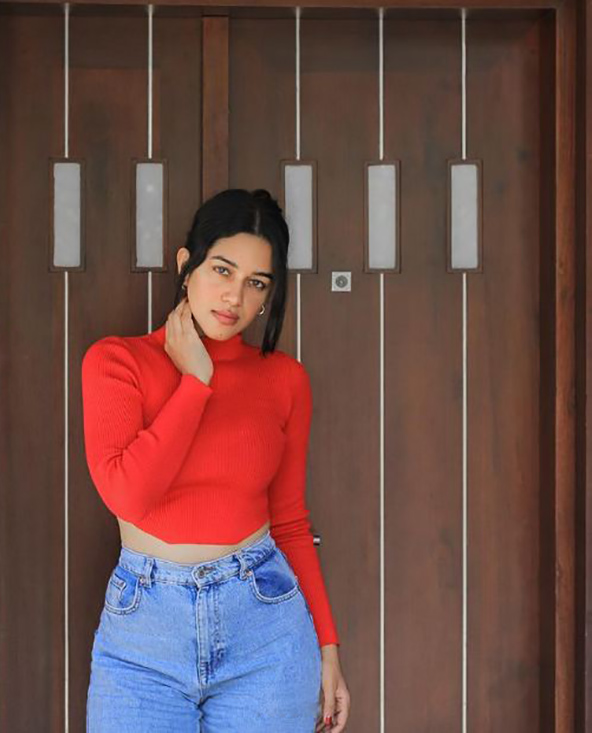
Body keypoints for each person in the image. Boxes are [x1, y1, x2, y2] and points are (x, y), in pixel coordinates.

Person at [82, 188, 350, 732]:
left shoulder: (284, 380)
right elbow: (128, 496)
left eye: (257, 283)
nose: (235, 297)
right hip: (143, 638)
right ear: (187, 265)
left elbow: (290, 522)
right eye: (222, 270)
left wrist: (328, 647)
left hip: (265, 630)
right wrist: (195, 383)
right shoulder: (116, 362)